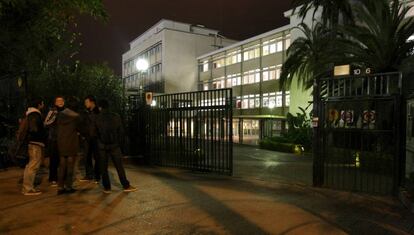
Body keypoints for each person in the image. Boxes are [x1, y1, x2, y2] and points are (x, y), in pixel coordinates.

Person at [94, 99, 136, 193]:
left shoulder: (96, 118)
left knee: (103, 168)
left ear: (100, 107)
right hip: (114, 145)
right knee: (119, 166)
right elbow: (121, 132)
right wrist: (119, 143)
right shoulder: (115, 116)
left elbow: (93, 132)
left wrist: (99, 141)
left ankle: (107, 187)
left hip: (102, 146)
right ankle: (125, 185)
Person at [56, 97, 84, 195]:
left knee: (62, 165)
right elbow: (81, 129)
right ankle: (68, 186)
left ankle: (60, 187)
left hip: (61, 142)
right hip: (71, 142)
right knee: (70, 165)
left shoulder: (60, 115)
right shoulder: (76, 117)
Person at [22, 97, 47, 196]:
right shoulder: (35, 115)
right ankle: (27, 189)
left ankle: (28, 187)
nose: (43, 105)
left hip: (33, 143)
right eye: (42, 103)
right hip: (35, 143)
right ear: (39, 104)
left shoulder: (30, 114)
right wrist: (42, 135)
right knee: (33, 166)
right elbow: (34, 129)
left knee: (30, 165)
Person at [44, 96, 65, 187]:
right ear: (55, 103)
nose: (60, 102)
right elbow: (46, 123)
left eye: (61, 100)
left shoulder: (66, 112)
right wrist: (55, 116)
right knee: (54, 159)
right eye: (58, 101)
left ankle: (63, 178)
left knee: (64, 159)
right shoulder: (52, 111)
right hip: (54, 139)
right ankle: (53, 178)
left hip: (64, 139)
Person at [81, 95, 100, 183]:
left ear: (92, 102)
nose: (85, 104)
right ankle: (89, 175)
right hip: (87, 137)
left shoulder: (98, 112)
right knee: (87, 156)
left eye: (86, 102)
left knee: (97, 157)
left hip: (96, 138)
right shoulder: (86, 112)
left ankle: (97, 176)